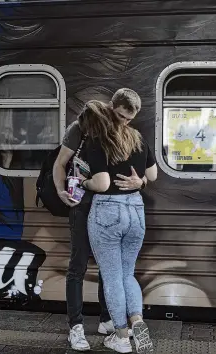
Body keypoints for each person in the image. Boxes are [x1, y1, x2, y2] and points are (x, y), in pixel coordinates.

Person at [53, 89, 147, 351]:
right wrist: (61, 192)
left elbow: (140, 170)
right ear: (111, 107)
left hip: (107, 209)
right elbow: (60, 163)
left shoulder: (122, 132)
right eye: (120, 116)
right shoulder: (82, 126)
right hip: (82, 205)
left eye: (129, 119)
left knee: (111, 269)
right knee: (79, 265)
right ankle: (76, 326)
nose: (124, 123)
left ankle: (108, 319)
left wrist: (142, 181)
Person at [80, 98, 157, 354]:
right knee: (127, 274)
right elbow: (153, 175)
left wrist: (83, 183)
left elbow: (101, 183)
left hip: (107, 211)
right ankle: (138, 324)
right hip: (135, 209)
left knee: (112, 277)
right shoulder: (137, 137)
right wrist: (141, 183)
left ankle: (121, 338)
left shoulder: (97, 139)